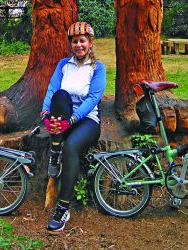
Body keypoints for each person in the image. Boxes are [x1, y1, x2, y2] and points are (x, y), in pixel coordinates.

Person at [41, 21, 106, 232]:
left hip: (87, 120)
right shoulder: (63, 65)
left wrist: (72, 119)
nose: (78, 45)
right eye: (75, 41)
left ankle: (63, 208)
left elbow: (94, 97)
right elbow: (52, 90)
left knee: (72, 148)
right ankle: (55, 147)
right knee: (60, 95)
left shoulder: (98, 68)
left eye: (82, 41)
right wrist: (46, 115)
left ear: (90, 43)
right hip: (64, 117)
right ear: (71, 44)